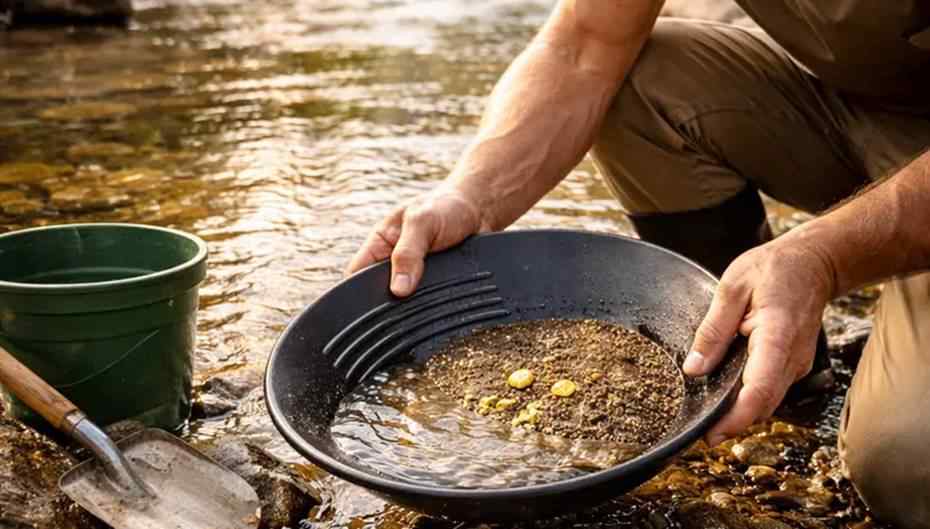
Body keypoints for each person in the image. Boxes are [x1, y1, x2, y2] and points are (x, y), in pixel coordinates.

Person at [345, 1, 930, 525]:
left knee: (905, 468)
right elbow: (585, 45)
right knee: (644, 78)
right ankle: (778, 379)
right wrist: (469, 194)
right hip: (864, 110)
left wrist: (823, 255)